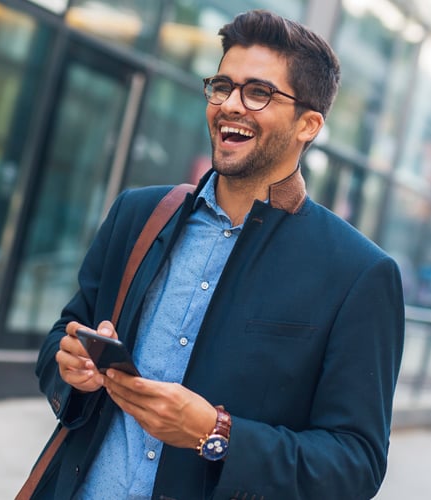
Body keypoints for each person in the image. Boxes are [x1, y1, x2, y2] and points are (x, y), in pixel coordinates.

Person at [33, 9, 405, 500]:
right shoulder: (137, 214)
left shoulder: (360, 274)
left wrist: (216, 433)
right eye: (222, 86)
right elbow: (65, 334)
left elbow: (354, 465)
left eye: (258, 93)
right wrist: (70, 363)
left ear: (308, 124)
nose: (231, 104)